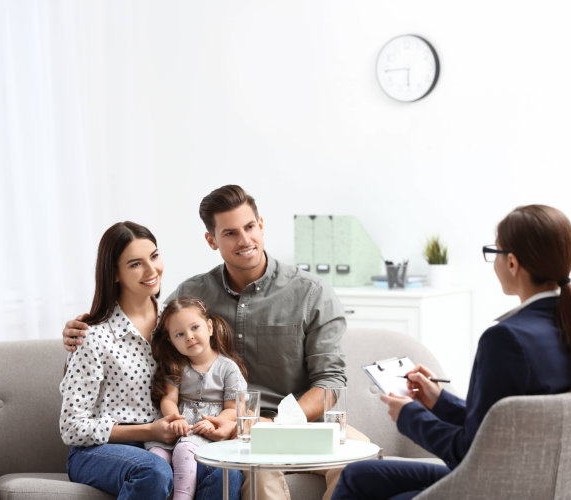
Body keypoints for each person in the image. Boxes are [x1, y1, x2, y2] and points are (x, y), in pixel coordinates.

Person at [61, 185, 362, 500]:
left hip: (294, 421)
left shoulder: (311, 293)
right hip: (228, 429)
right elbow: (142, 336)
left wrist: (277, 423)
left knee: (358, 460)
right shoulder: (191, 296)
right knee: (251, 471)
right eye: (230, 233)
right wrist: (77, 336)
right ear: (211, 240)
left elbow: (331, 380)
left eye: (249, 227)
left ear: (262, 224)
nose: (244, 240)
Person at [332, 204, 571, 500]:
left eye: (495, 252)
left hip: (489, 487)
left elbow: (466, 450)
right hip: (524, 483)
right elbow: (498, 425)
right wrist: (438, 401)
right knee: (357, 475)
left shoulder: (505, 339)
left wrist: (408, 415)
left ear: (512, 262)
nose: (494, 262)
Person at [59, 221, 242, 500]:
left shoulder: (177, 324)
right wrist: (148, 430)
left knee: (225, 472)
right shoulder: (93, 335)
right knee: (154, 470)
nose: (151, 270)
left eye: (154, 256)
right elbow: (72, 428)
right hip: (100, 450)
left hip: (172, 442)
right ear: (115, 274)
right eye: (135, 264)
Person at [146, 296, 249, 500]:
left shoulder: (228, 368)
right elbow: (168, 400)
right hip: (177, 428)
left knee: (184, 449)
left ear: (209, 327)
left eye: (195, 328)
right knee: (155, 460)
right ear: (171, 341)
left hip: (204, 431)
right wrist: (175, 419)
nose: (189, 337)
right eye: (180, 334)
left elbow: (233, 408)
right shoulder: (177, 366)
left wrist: (215, 424)